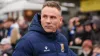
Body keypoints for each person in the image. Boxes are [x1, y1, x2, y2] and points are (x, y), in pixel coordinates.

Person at [12, 1, 76, 56]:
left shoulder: (62, 39)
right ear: (40, 18)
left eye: (52, 17)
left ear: (60, 20)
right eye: (45, 16)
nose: (48, 21)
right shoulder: (26, 41)